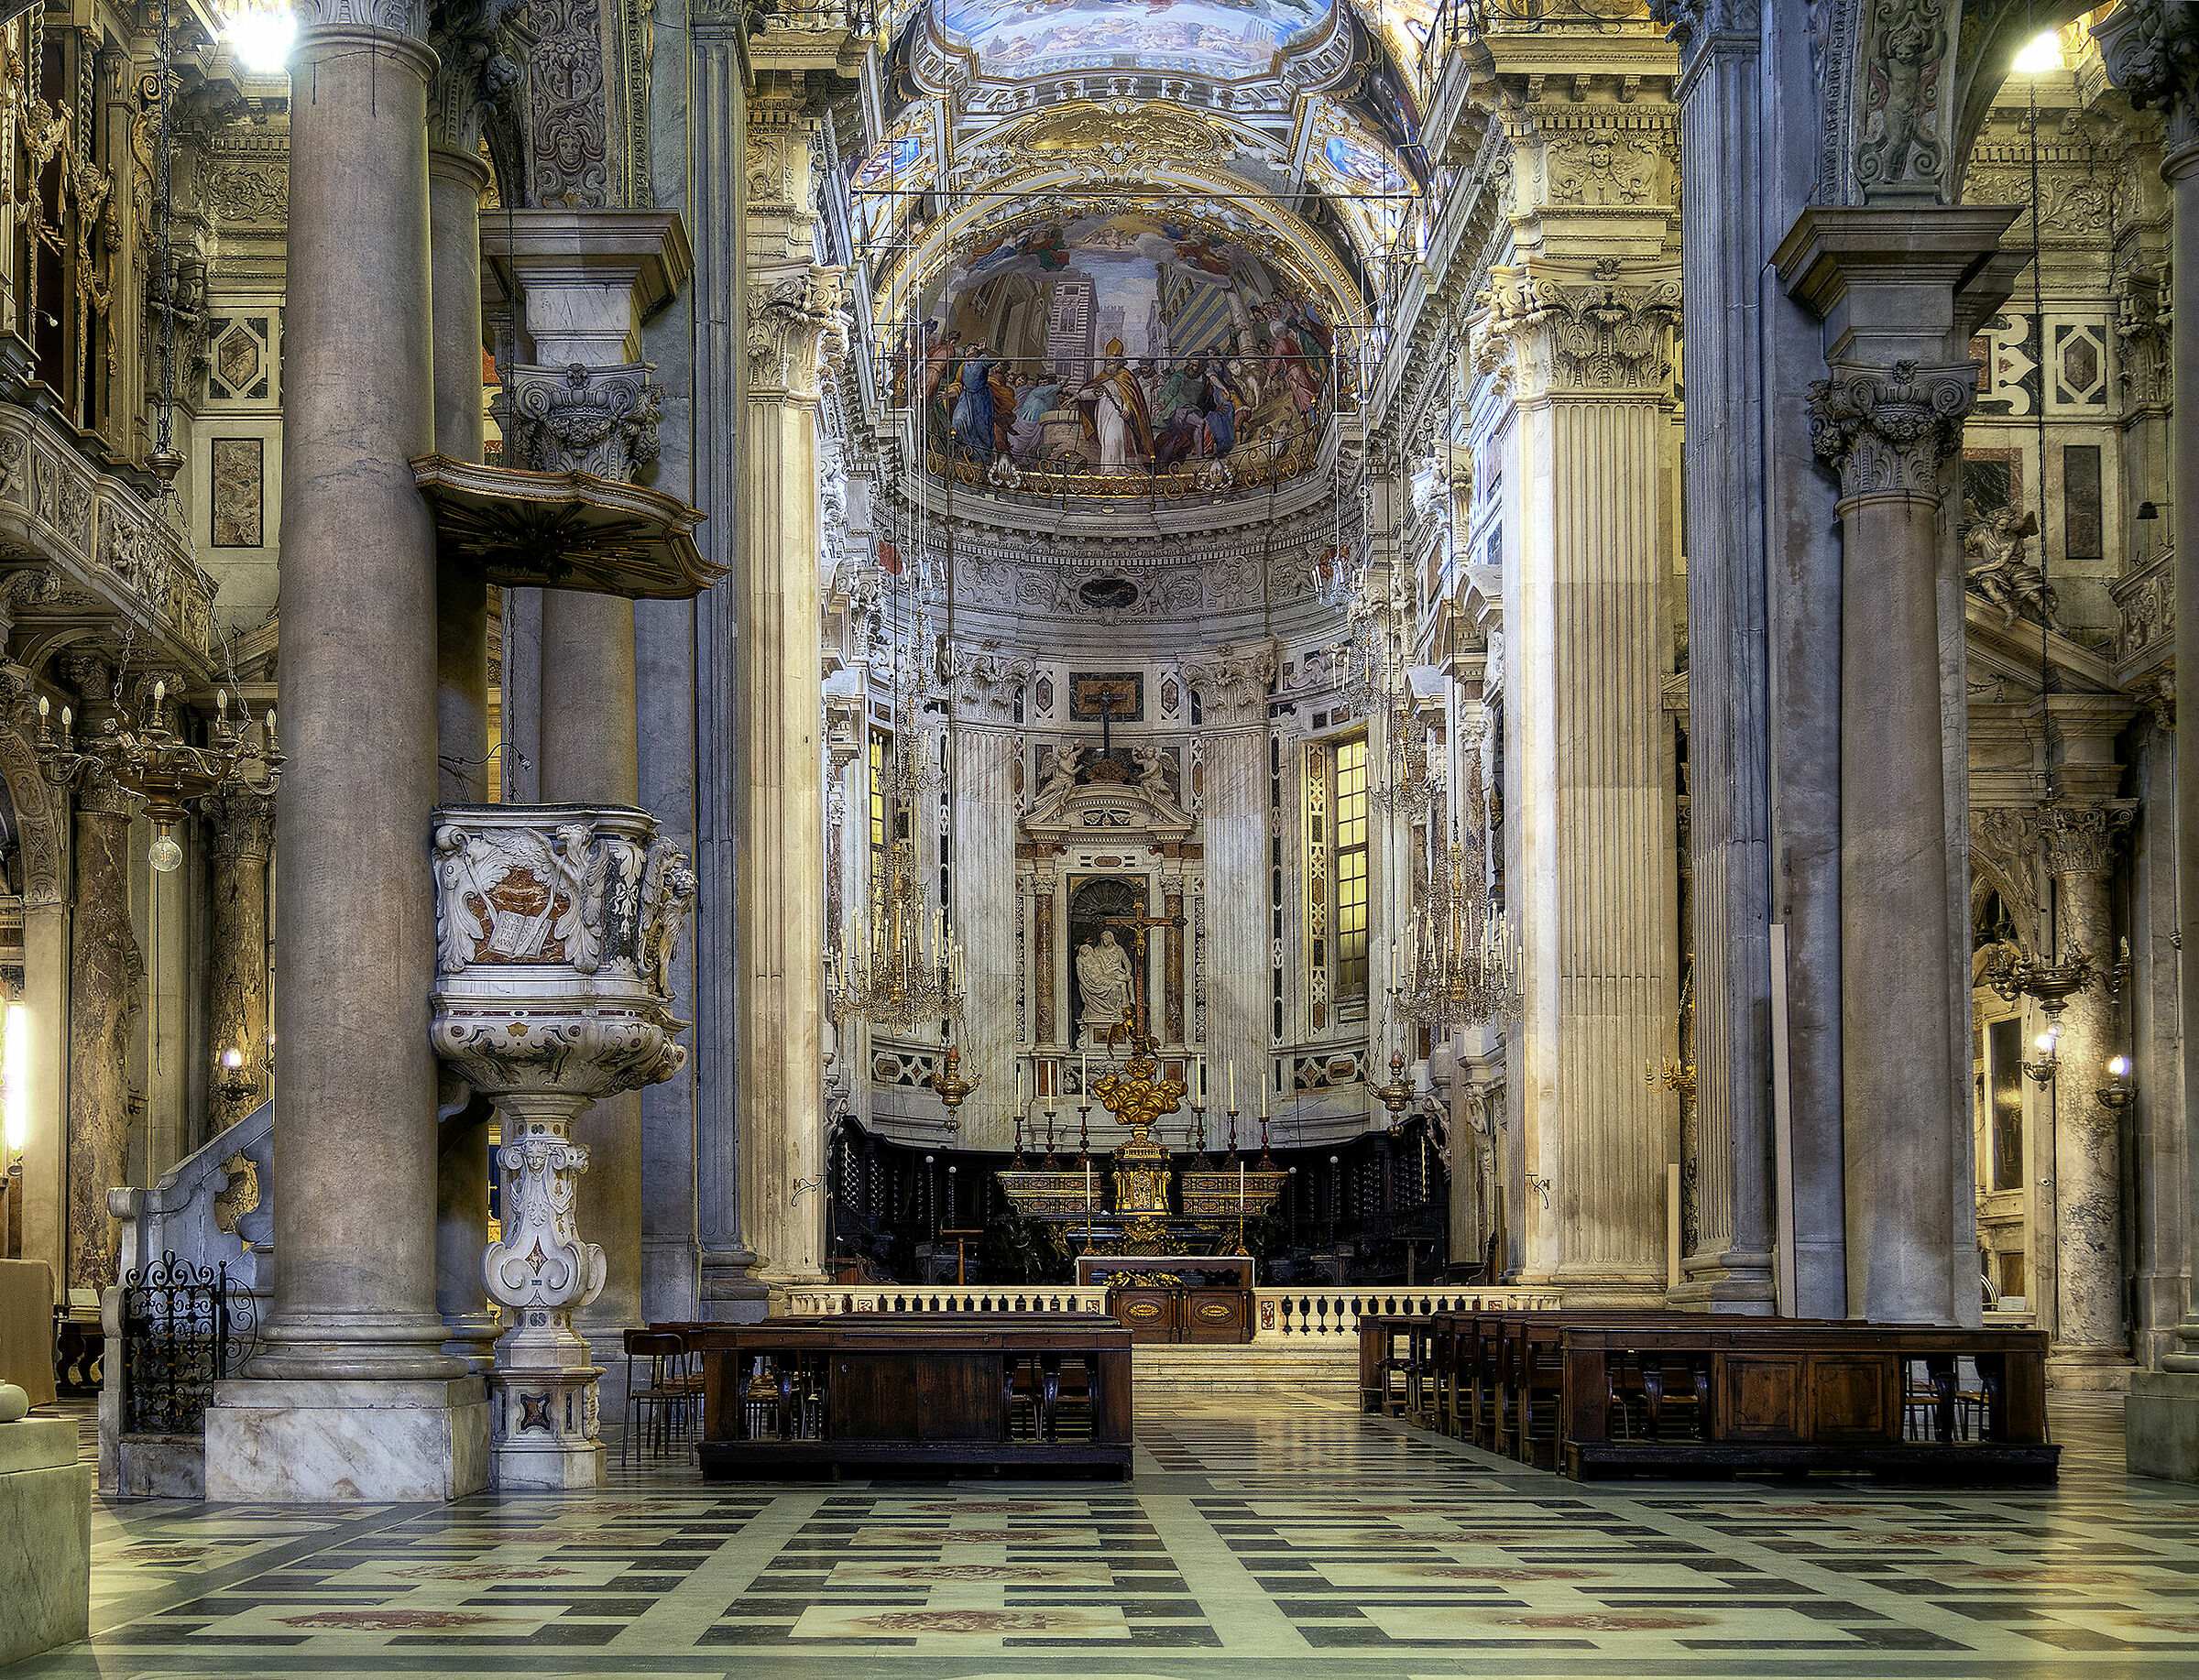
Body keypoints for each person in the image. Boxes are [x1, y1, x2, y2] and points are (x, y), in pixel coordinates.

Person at [1075, 338, 1154, 473]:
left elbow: (1131, 397)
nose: (1109, 361)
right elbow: (1096, 393)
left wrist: (1127, 409)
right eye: (1107, 359)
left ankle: (1118, 470)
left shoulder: (1126, 376)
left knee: (1115, 439)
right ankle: (1108, 470)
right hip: (1103, 414)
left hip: (1117, 414)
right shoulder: (1102, 376)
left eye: (1112, 359)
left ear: (1119, 360)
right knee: (1107, 441)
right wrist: (1078, 396)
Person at [1076, 927, 1134, 1043]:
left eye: (1106, 938)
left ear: (1112, 939)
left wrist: (1127, 973)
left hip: (1115, 973)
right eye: (1102, 939)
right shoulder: (1096, 950)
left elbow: (1127, 963)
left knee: (1128, 980)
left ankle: (1129, 1003)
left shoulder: (1119, 949)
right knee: (1118, 986)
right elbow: (1093, 968)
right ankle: (1121, 1008)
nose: (1104, 941)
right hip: (1103, 976)